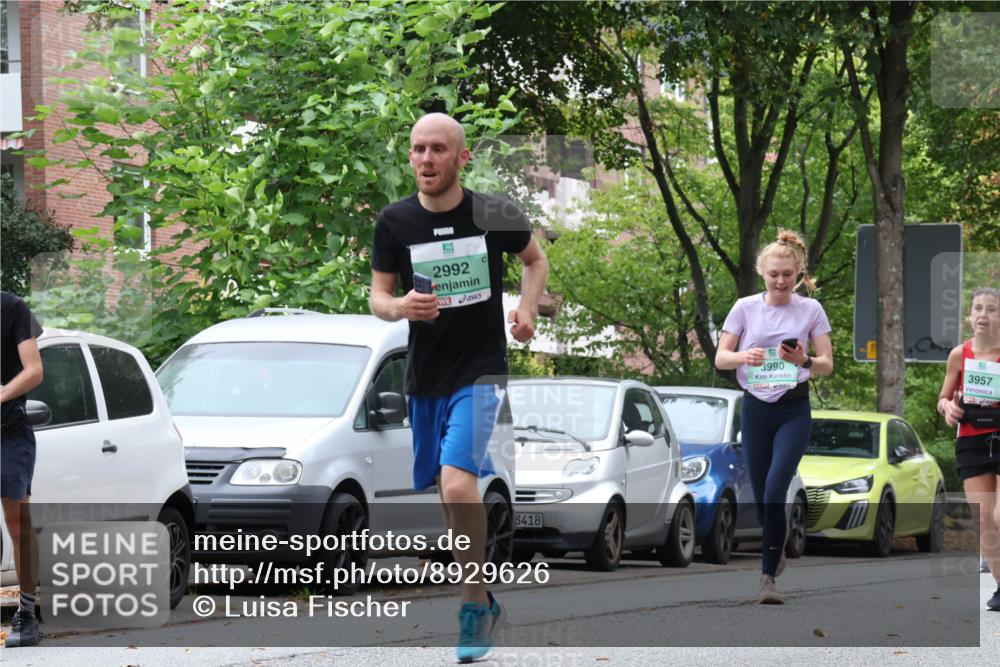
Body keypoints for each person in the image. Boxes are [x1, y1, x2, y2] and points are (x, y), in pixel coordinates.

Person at [369, 113, 548, 661]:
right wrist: (400, 307)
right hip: (426, 377)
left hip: (481, 369)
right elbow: (378, 299)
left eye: (438, 150)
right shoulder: (394, 222)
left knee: (457, 482)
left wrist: (525, 307)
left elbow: (535, 259)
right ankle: (484, 598)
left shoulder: (493, 212)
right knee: (447, 495)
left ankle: (472, 604)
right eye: (418, 149)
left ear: (461, 158)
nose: (426, 159)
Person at [714, 230, 833, 604]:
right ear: (761, 273)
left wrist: (804, 361)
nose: (780, 281)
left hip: (793, 409)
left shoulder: (810, 310)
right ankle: (774, 543)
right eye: (773, 275)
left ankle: (767, 580)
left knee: (776, 486)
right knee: (764, 494)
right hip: (756, 407)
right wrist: (743, 357)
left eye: (787, 274)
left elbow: (827, 364)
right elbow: (721, 358)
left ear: (798, 274)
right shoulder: (745, 307)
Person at [937, 286, 1000, 611]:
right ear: (969, 315)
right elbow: (944, 397)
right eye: (978, 308)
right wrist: (948, 407)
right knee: (985, 520)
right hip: (972, 440)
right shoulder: (960, 355)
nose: (984, 315)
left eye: (992, 309)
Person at [1, 291, 44, 647]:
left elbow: (34, 371)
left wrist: (1, 395)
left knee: (18, 523)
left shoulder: (11, 308)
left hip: (8, 434)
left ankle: (27, 613)